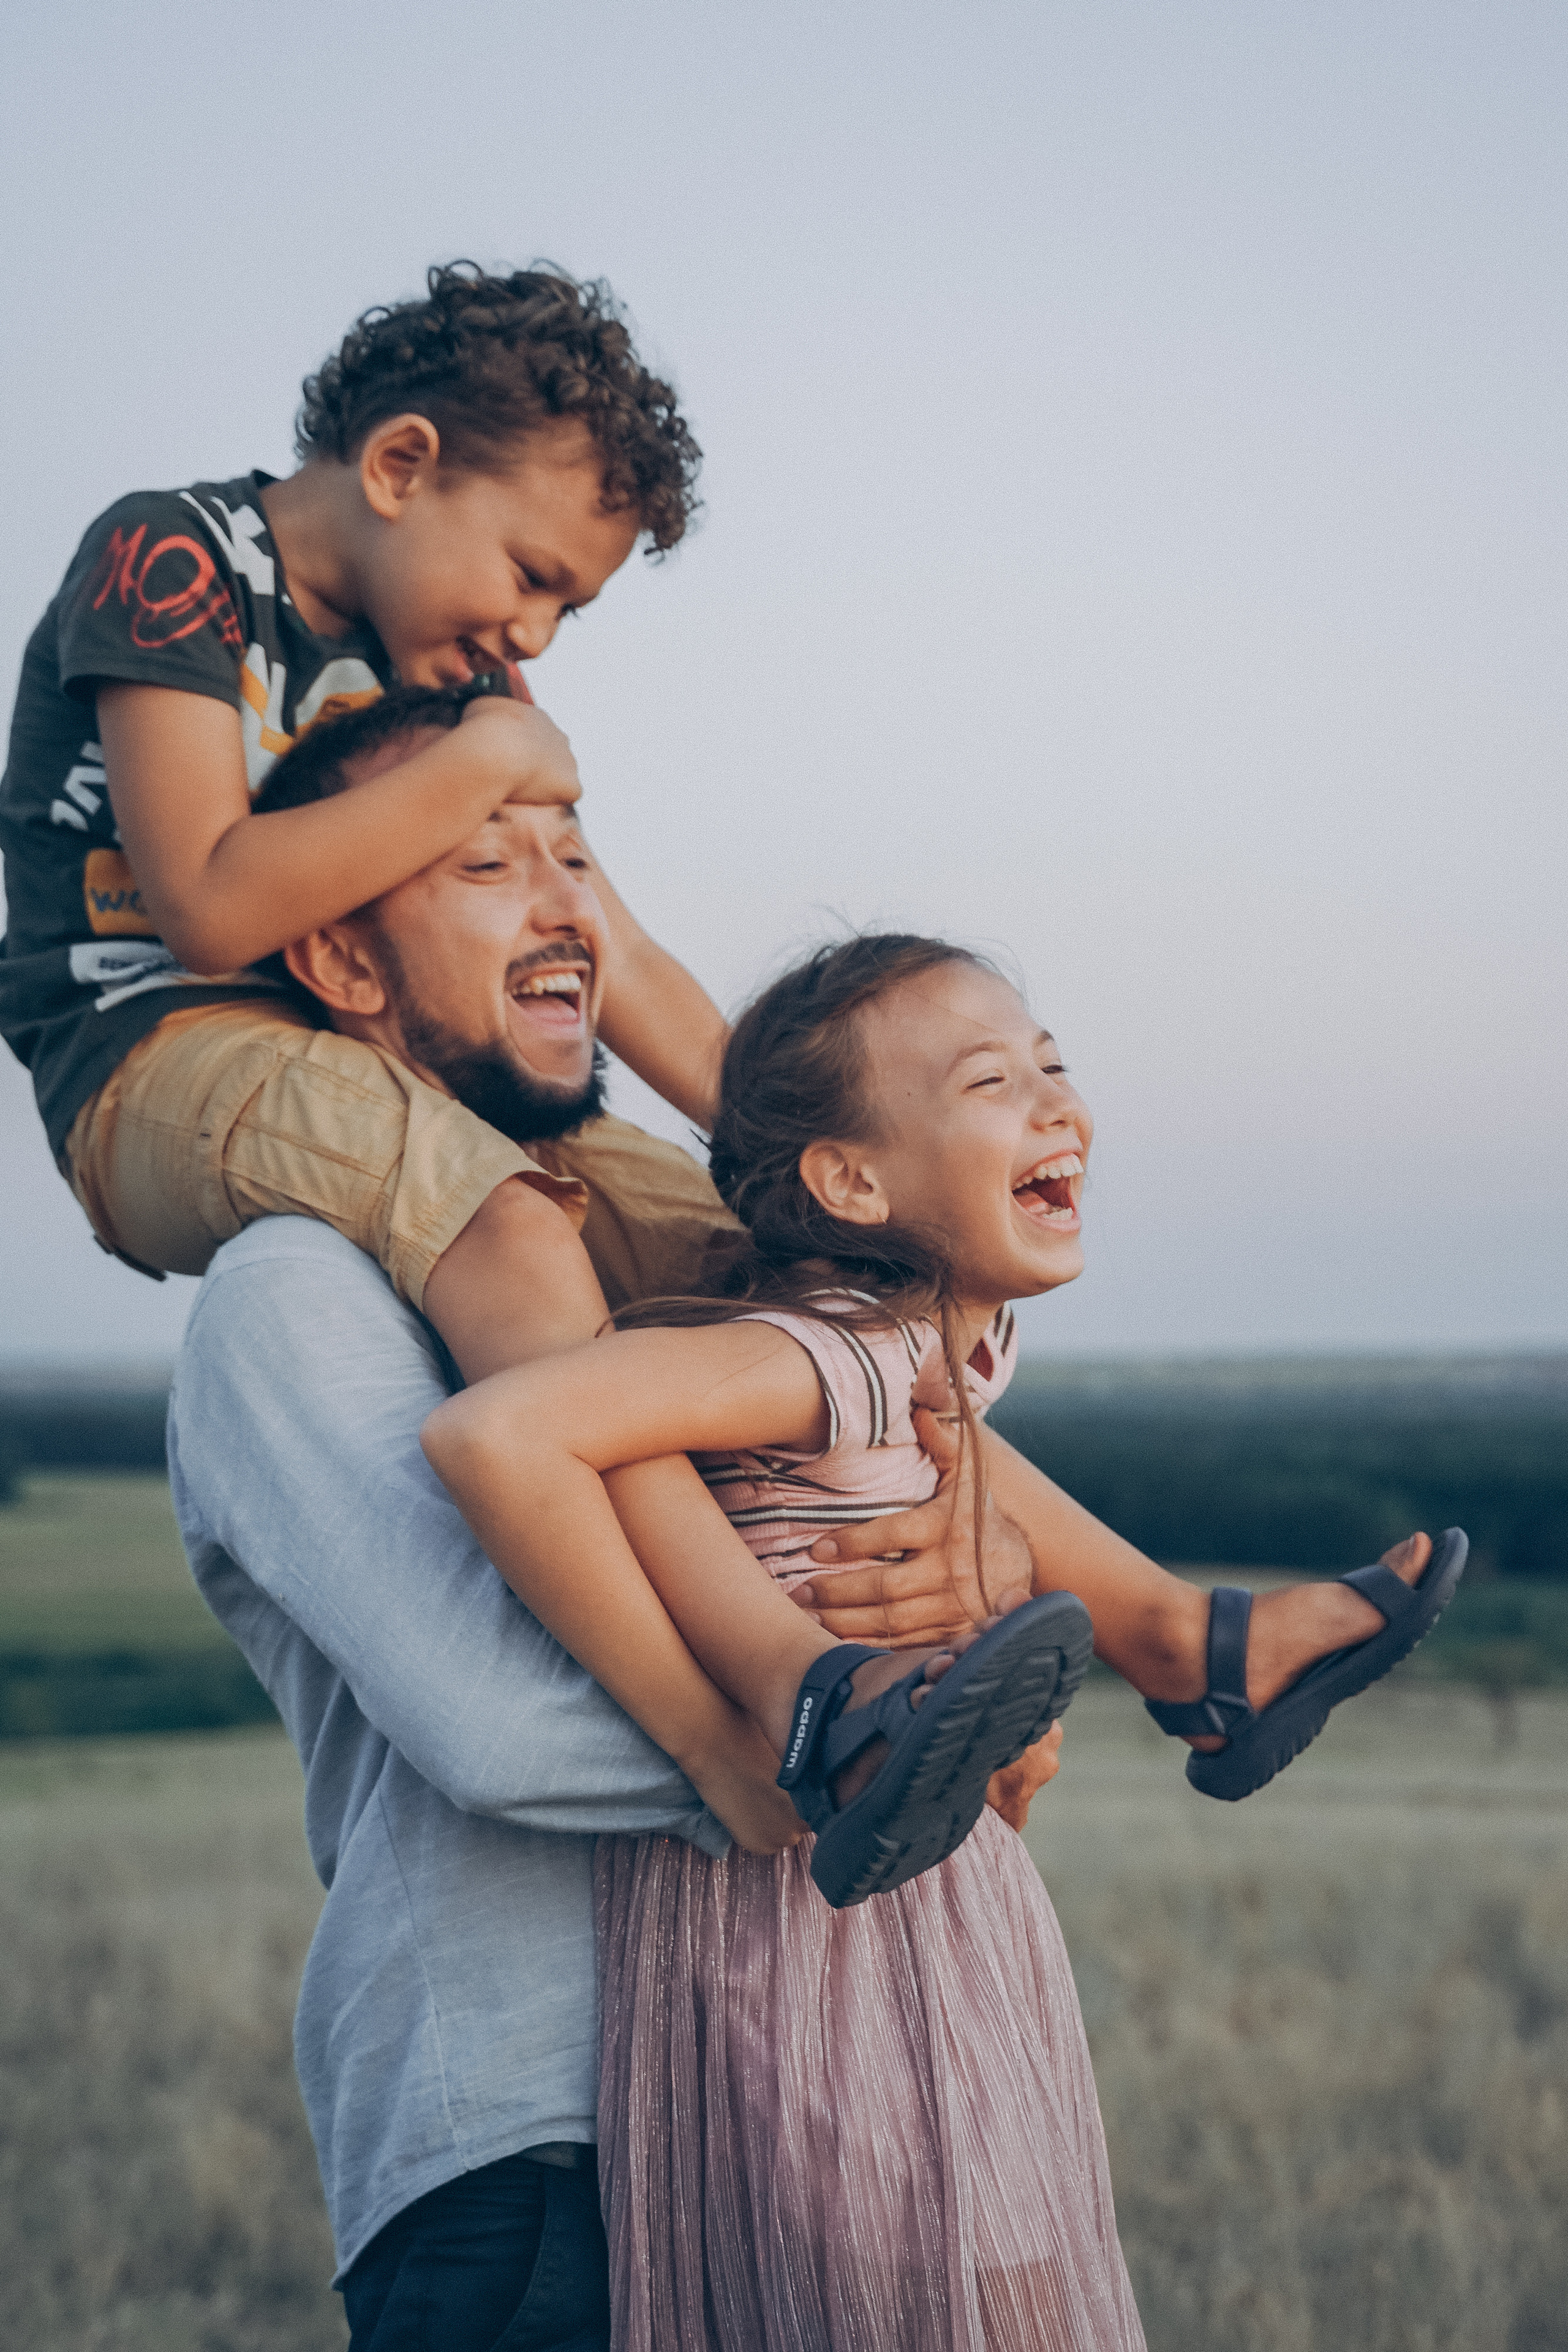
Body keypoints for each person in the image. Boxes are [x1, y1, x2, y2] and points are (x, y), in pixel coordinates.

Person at [422, 933, 1468, 2350]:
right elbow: (496, 1432)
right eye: (992, 1082)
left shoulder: (946, 1354)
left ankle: (1197, 1647)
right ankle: (1195, 1654)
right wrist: (726, 1735)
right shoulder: (830, 1351)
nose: (1054, 1106)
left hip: (918, 1895)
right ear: (852, 1185)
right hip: (805, 1928)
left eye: (1053, 1066)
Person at [0, 260, 728, 1396]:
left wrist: (793, 1145)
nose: (535, 635)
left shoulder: (463, 670)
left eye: (567, 608)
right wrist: (487, 754)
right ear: (400, 467)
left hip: (403, 1051)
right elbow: (207, 905)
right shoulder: (174, 557)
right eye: (531, 575)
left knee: (739, 1249)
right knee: (496, 1209)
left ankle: (990, 1563)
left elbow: (610, 946)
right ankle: (637, 1567)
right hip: (148, 1055)